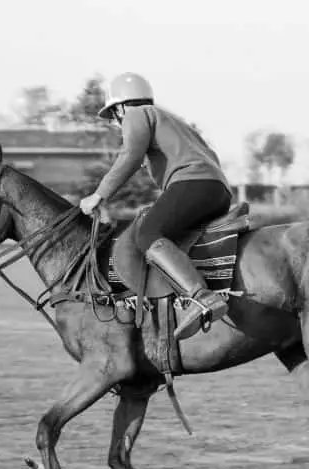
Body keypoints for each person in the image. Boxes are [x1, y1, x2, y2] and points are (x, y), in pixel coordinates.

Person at [78, 72, 233, 340]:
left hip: (192, 184)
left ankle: (200, 296)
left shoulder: (136, 115)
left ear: (121, 106)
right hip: (216, 188)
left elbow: (130, 157)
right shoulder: (171, 119)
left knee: (148, 234)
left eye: (114, 115)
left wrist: (98, 195)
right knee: (163, 228)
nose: (117, 122)